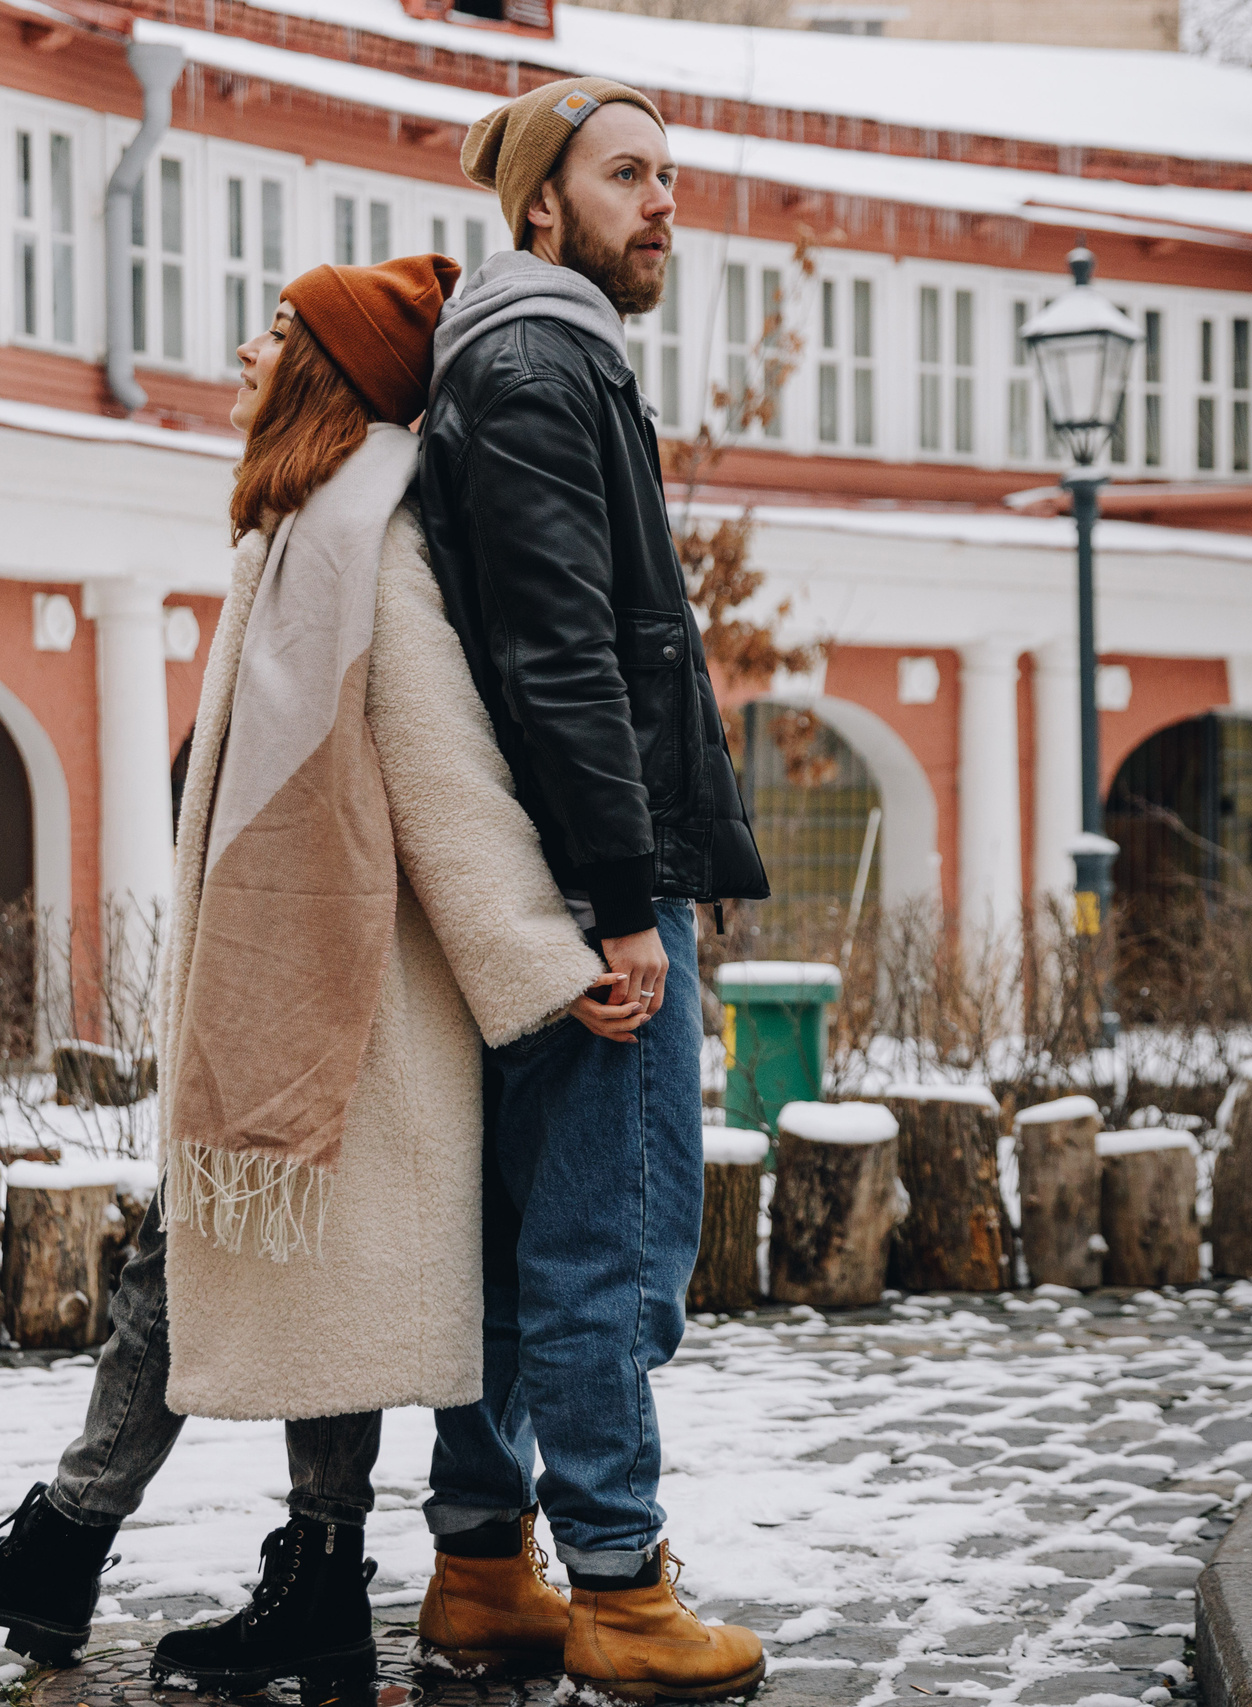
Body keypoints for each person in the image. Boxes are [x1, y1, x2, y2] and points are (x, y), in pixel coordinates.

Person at [0, 254, 605, 1698]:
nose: (243, 349)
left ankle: (107, 1545)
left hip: (353, 1025)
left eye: (276, 333)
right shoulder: (301, 534)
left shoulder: (369, 548)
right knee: (237, 1267)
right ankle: (237, 1570)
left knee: (226, 1262)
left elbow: (447, 777)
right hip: (300, 1006)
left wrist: (546, 961)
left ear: (329, 374)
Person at [413, 76, 772, 1704]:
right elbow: (567, 657)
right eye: (629, 173)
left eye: (671, 174)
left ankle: (487, 1566)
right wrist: (629, 898)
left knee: (509, 1239)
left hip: (525, 871)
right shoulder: (544, 358)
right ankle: (622, 1592)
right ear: (541, 204)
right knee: (608, 1242)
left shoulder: (517, 357)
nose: (663, 200)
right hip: (582, 881)